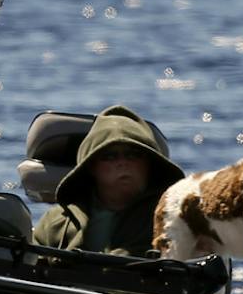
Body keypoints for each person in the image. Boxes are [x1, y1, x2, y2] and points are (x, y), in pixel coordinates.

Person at [29, 104, 184, 256]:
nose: (123, 162)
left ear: (150, 164)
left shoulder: (173, 221)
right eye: (110, 156)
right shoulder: (57, 223)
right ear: (92, 167)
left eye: (134, 154)